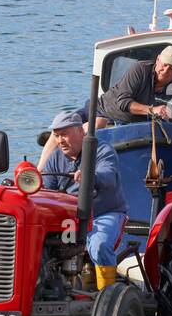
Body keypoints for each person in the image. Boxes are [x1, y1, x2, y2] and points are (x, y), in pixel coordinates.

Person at [39, 45, 172, 166]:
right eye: (165, 64)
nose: (166, 70)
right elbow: (123, 102)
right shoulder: (140, 70)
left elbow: (170, 122)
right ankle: (41, 171)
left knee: (96, 125)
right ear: (157, 60)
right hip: (100, 108)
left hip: (124, 125)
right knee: (63, 126)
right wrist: (152, 109)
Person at [40, 109, 129, 290]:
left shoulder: (103, 151)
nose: (59, 141)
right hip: (71, 219)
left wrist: (90, 177)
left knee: (99, 244)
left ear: (81, 131)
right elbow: (47, 191)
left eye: (64, 134)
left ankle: (106, 294)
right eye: (56, 136)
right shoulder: (55, 158)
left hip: (104, 213)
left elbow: (108, 175)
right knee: (46, 245)